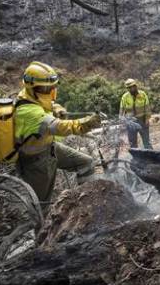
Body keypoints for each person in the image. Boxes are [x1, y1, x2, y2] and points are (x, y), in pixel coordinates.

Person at [14, 62, 102, 206]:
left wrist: (58, 108)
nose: (50, 91)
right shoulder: (27, 112)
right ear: (32, 87)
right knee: (42, 205)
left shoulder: (31, 96)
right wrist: (85, 124)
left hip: (50, 148)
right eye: (46, 88)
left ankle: (87, 205)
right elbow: (59, 127)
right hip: (36, 161)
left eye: (51, 87)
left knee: (86, 163)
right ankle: (39, 228)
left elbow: (49, 104)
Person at [119, 78, 153, 150]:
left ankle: (152, 155)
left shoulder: (143, 94)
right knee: (133, 143)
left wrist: (147, 120)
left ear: (135, 86)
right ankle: (136, 158)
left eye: (133, 87)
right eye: (129, 88)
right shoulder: (125, 97)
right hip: (131, 122)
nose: (131, 89)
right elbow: (121, 111)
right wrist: (122, 122)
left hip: (142, 120)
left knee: (147, 141)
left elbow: (147, 108)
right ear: (127, 89)